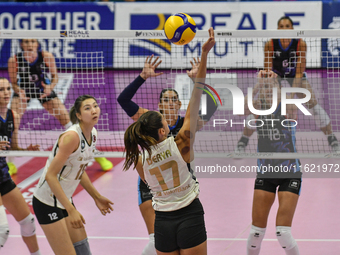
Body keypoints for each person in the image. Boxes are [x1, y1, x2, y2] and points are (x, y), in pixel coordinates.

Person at [123, 27, 215, 255]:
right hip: (183, 203)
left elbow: (210, 107)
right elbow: (209, 102)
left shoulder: (139, 151)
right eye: (166, 101)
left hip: (162, 205)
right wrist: (201, 66)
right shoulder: (183, 137)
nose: (171, 104)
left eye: (175, 100)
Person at [235, 16, 339, 153]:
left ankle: (332, 139)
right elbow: (267, 72)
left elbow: (299, 73)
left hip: (294, 75)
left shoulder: (300, 44)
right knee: (262, 104)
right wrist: (259, 91)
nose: (284, 29)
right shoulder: (270, 44)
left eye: (287, 26)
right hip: (275, 76)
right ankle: (243, 140)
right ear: (278, 29)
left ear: (292, 29)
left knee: (312, 102)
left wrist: (289, 95)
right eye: (282, 26)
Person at [7, 38, 113, 174]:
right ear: (21, 44)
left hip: (43, 90)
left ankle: (97, 154)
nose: (29, 45)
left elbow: (55, 77)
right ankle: (10, 163)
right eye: (26, 42)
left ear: (37, 44)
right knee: (12, 122)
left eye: (32, 42)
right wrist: (18, 91)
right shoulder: (14, 60)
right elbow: (14, 83)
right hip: (24, 92)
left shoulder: (46, 56)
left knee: (69, 121)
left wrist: (50, 87)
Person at [32, 95, 114, 255]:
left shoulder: (93, 134)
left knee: (83, 251)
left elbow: (79, 169)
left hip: (64, 200)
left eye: (95, 106)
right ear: (78, 115)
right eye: (87, 108)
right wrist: (71, 210)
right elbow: (50, 175)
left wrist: (96, 197)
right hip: (47, 203)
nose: (94, 110)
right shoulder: (71, 137)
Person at [246, 70, 301, 255]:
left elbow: (288, 98)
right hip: (266, 173)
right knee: (255, 234)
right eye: (266, 89)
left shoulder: (288, 108)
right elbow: (244, 109)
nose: (269, 91)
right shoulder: (257, 110)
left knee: (283, 233)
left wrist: (273, 82)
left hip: (290, 172)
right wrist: (260, 84)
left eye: (273, 88)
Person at [0, 77, 41, 255]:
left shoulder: (12, 116)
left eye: (8, 89)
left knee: (28, 222)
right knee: (2, 230)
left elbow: (13, 147)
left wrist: (26, 149)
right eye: (1, 90)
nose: (6, 93)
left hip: (3, 176)